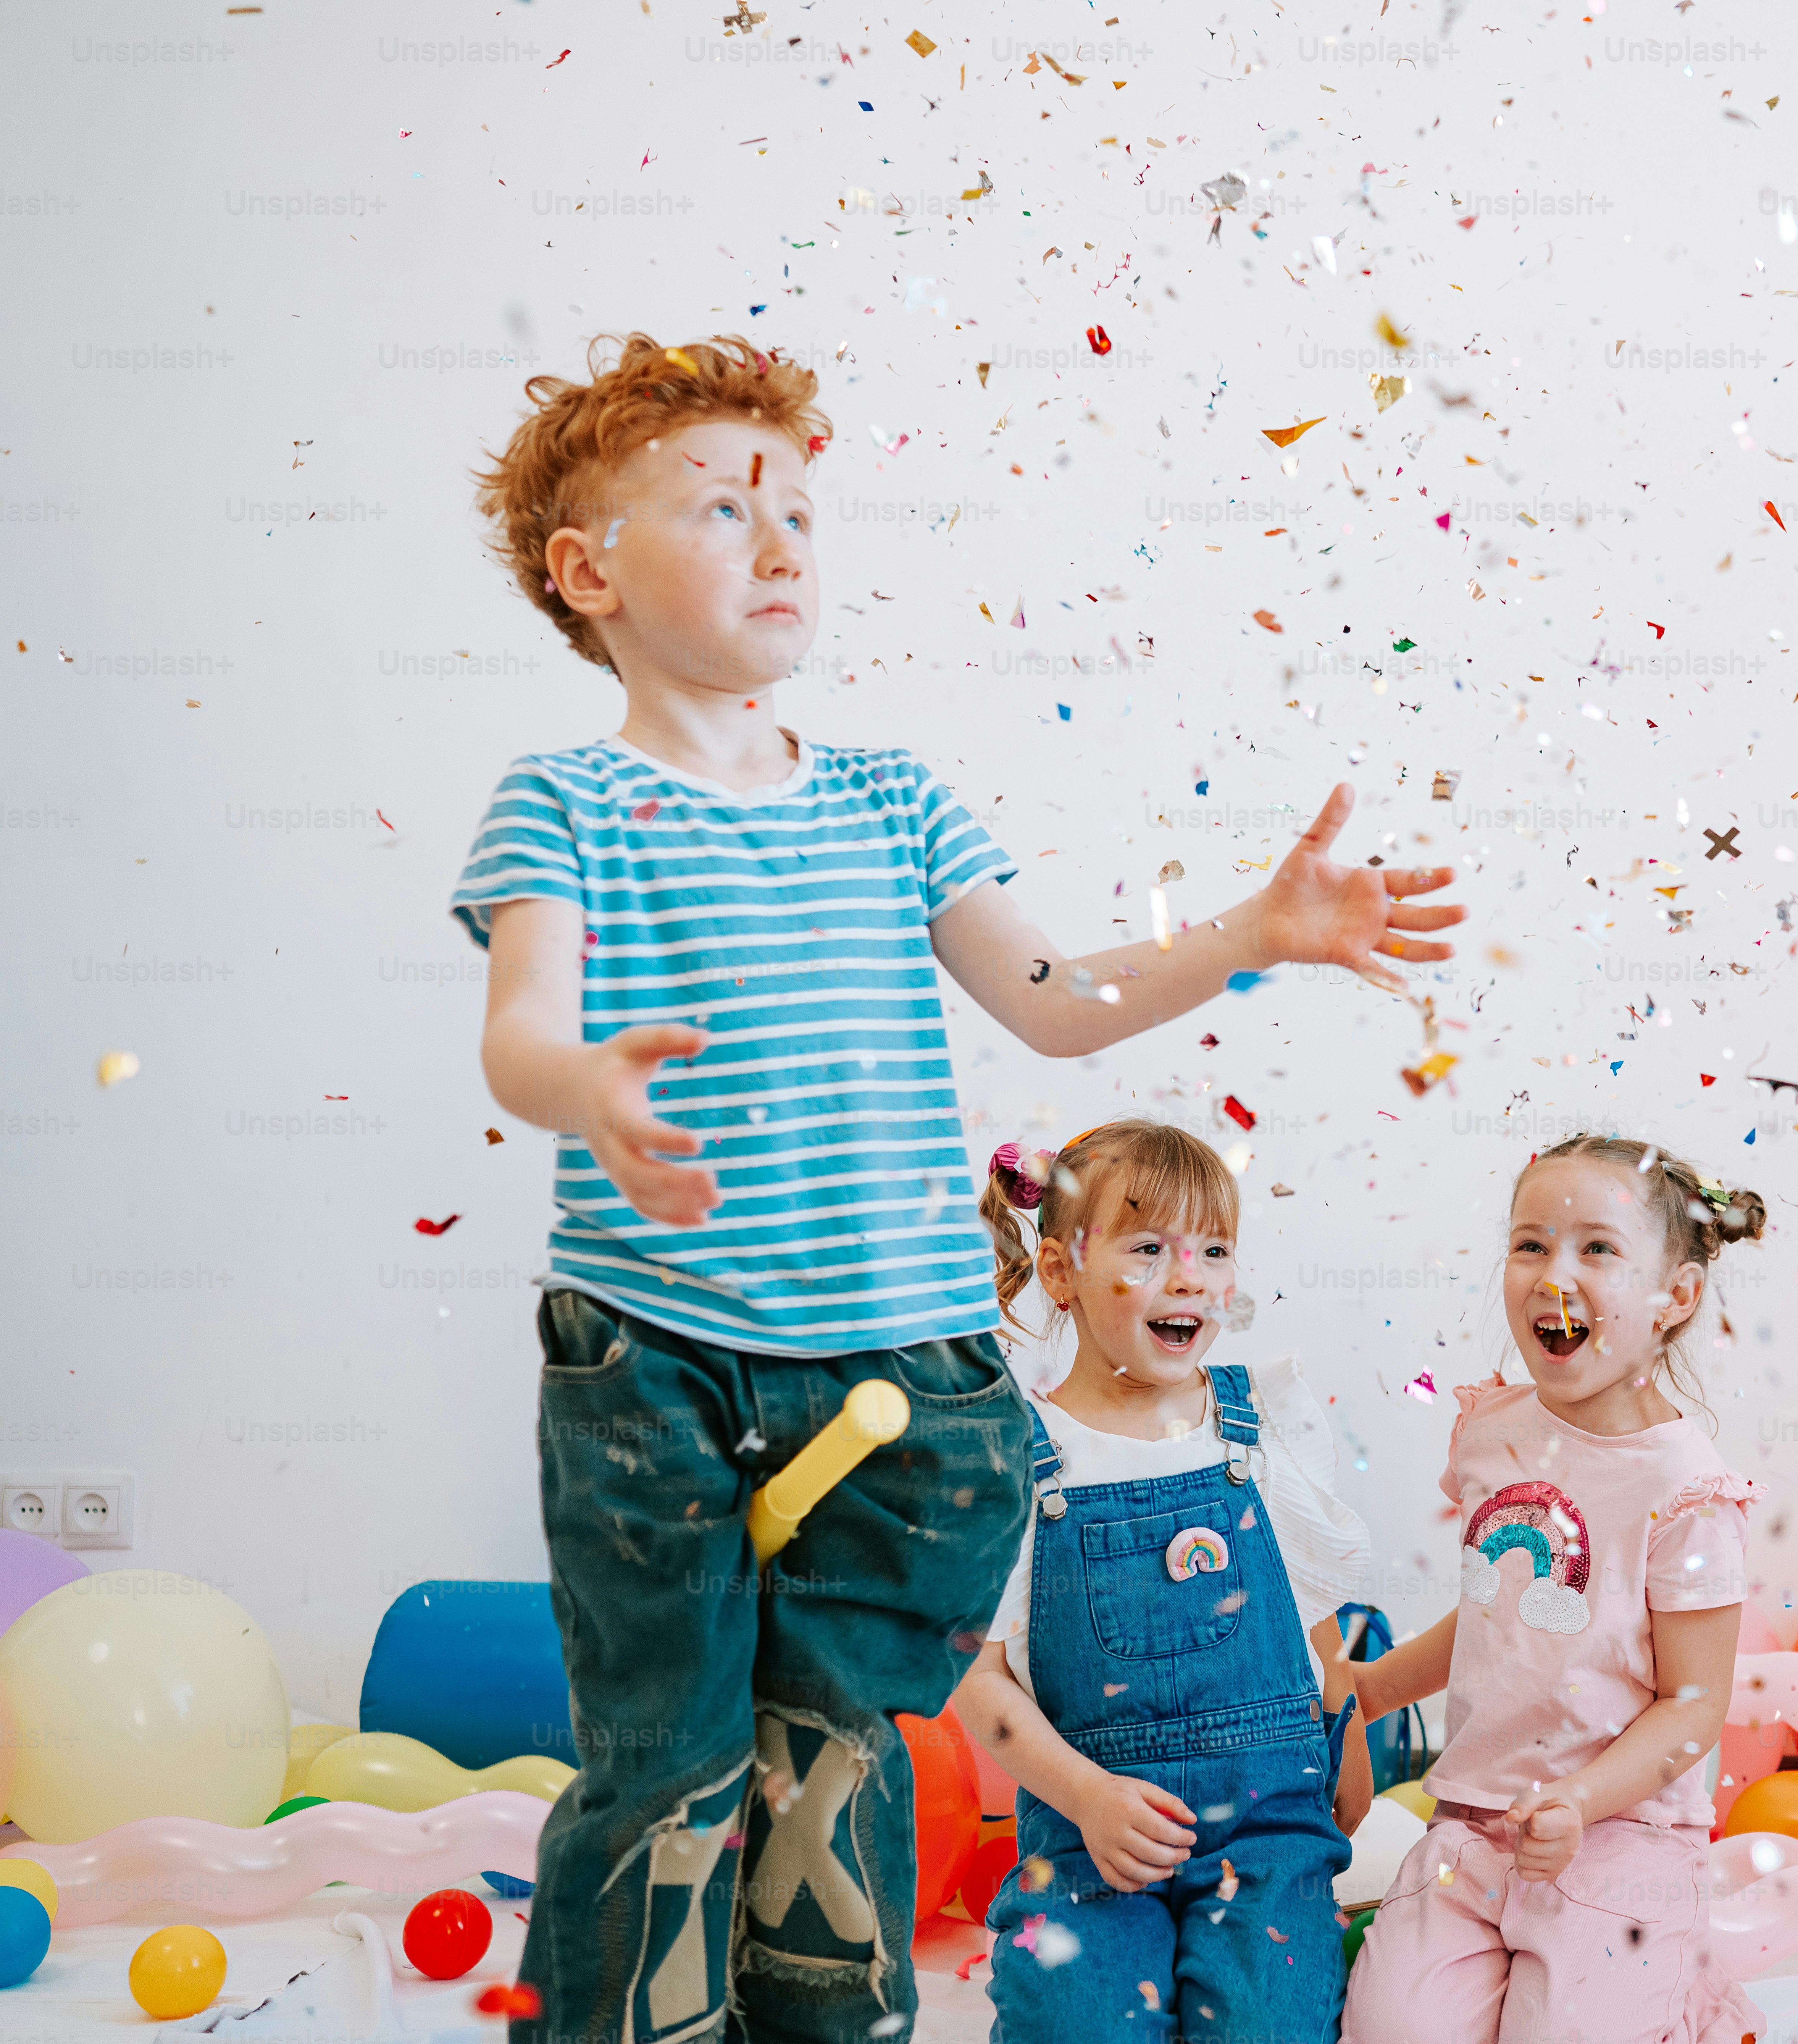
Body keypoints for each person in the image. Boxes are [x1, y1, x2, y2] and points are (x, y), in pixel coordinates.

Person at [451, 331, 1461, 2044]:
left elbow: (1057, 1001)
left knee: (835, 1755)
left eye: (798, 512)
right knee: (666, 1762)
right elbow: (522, 1030)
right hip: (656, 1357)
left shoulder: (890, 800)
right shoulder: (565, 803)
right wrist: (586, 1087)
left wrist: (1256, 931)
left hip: (900, 1376)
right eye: (722, 509)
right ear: (587, 571)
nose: (782, 544)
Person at [1335, 1136, 1767, 2044]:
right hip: (1473, 1823)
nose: (1552, 1274)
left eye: (1597, 1248)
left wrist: (1579, 1800)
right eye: (1530, 1244)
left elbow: (1693, 1704)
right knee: (1391, 2032)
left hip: (1624, 1833)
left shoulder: (1685, 1490)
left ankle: (1687, 1993)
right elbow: (1498, 1614)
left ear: (1676, 1297)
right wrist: (1374, 1688)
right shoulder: (1491, 1432)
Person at [951, 1120, 1374, 2044]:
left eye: (1213, 1251)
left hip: (1267, 1827)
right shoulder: (1018, 1455)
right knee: (1074, 2019)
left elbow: (1311, 1606)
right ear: (1061, 1271)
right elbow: (978, 1676)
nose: (1190, 1279)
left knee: (1270, 2021)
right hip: (1088, 1833)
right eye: (1149, 1250)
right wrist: (1085, 1796)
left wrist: (1346, 1734)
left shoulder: (1258, 1421)